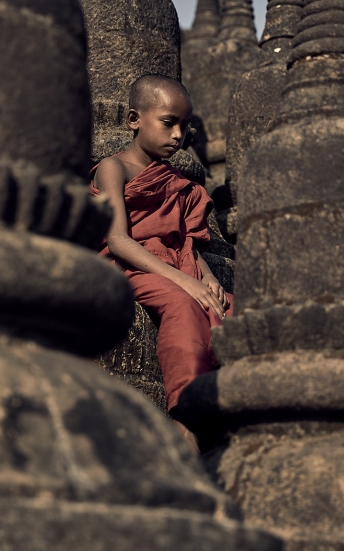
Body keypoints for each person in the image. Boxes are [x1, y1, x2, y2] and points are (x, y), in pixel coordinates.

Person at [90, 74, 232, 451]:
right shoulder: (113, 168)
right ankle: (186, 414)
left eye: (184, 126)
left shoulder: (175, 180)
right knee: (183, 304)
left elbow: (185, 238)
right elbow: (118, 240)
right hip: (129, 266)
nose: (177, 135)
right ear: (134, 119)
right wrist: (186, 283)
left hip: (176, 264)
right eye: (168, 123)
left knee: (231, 309)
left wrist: (204, 275)